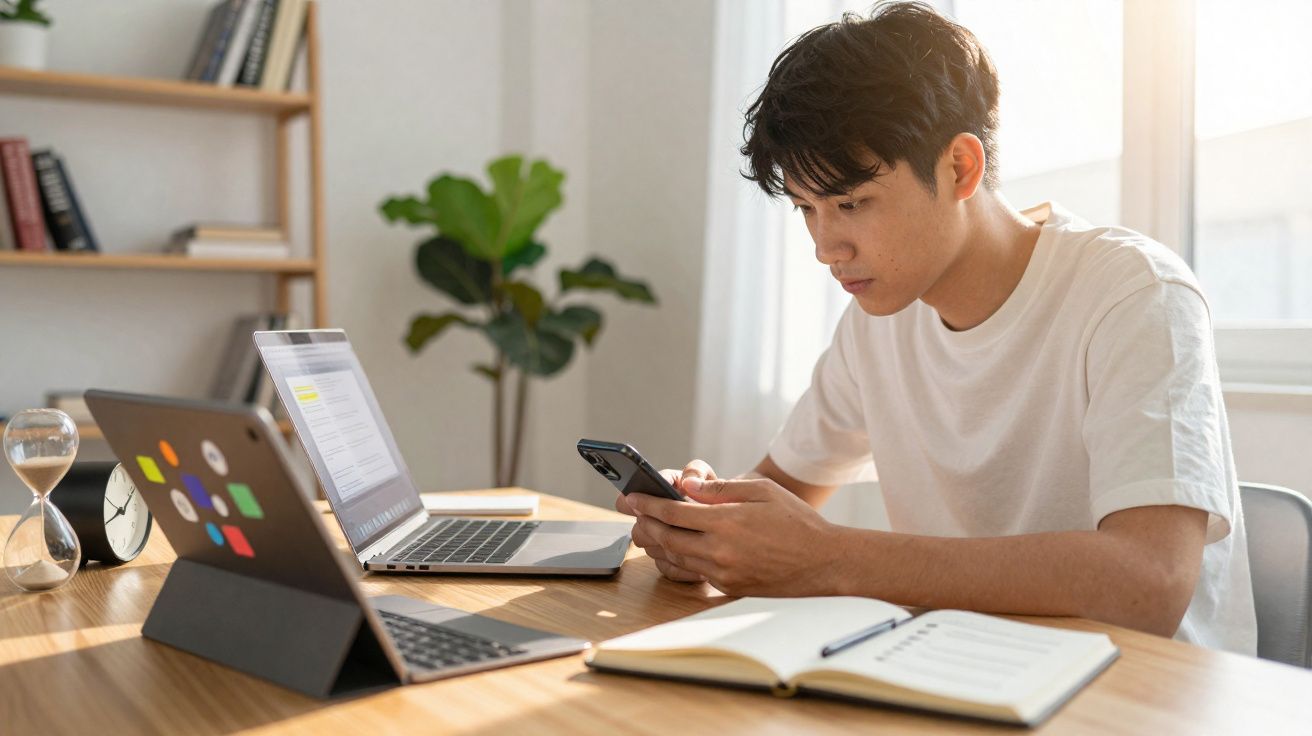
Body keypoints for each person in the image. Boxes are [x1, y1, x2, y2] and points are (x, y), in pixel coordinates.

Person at [616, 1, 1255, 654]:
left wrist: (832, 557)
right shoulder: (877, 319)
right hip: (955, 671)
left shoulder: (1134, 292)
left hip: (1142, 695)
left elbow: (1149, 583)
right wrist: (701, 525)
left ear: (960, 168)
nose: (826, 247)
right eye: (807, 209)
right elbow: (778, 491)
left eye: (852, 203)